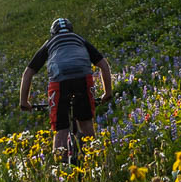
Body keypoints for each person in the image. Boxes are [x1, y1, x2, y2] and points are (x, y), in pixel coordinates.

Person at [18, 17, 113, 162]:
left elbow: (28, 73)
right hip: (83, 78)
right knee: (86, 122)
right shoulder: (79, 39)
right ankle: (96, 161)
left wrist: (24, 101)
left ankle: (59, 171)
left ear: (52, 33)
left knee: (60, 128)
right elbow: (104, 65)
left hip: (59, 81)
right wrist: (108, 93)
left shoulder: (50, 43)